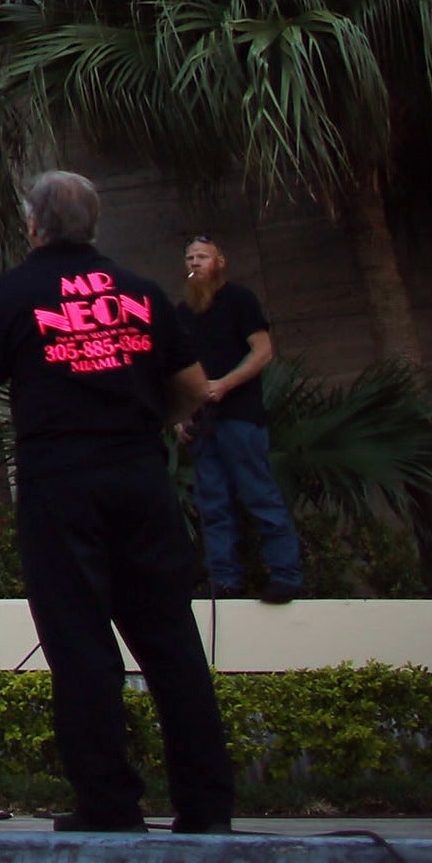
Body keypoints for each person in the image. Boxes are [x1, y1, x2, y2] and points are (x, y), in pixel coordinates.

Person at [0, 173, 233, 834]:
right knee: (171, 641)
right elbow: (193, 387)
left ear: (33, 227)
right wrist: (150, 421)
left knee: (80, 647)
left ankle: (109, 804)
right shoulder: (140, 291)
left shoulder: (16, 291)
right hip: (139, 474)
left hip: (60, 483)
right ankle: (207, 805)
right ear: (94, 224)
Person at [181, 239, 303, 603]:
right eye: (189, 258)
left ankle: (286, 575)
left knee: (259, 494)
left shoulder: (239, 300)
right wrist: (181, 414)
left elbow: (263, 351)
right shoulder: (183, 313)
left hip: (240, 416)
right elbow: (177, 368)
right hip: (203, 421)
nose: (195, 263)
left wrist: (225, 385)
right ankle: (225, 580)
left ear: (220, 261)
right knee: (213, 503)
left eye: (202, 257)